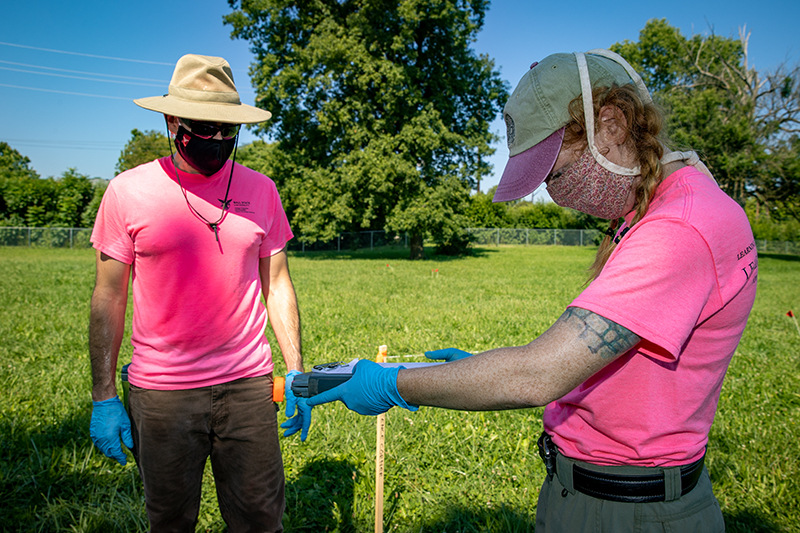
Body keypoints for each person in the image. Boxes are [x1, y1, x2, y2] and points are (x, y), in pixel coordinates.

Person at [307, 49, 757, 532]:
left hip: (628, 511)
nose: (555, 195)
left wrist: (389, 384)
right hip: (601, 493)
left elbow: (541, 375)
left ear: (612, 125)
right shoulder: (657, 211)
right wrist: (475, 369)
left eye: (555, 174)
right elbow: (604, 362)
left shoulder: (677, 229)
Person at [88, 54, 312, 533]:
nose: (217, 141)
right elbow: (109, 297)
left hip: (250, 387)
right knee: (169, 521)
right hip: (162, 393)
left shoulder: (263, 191)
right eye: (204, 128)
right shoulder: (127, 192)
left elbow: (277, 283)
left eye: (227, 130)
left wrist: (295, 370)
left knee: (259, 519)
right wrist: (104, 396)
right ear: (173, 122)